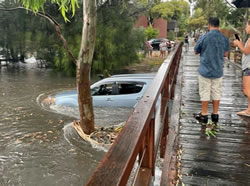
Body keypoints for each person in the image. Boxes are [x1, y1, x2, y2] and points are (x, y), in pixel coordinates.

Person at [193, 17, 230, 124]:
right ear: (219, 25)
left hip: (205, 69)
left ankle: (204, 115)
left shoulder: (204, 37)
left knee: (205, 92)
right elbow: (226, 54)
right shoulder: (224, 38)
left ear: (209, 25)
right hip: (218, 70)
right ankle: (215, 114)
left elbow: (196, 51)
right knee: (216, 92)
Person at [233, 20, 250, 116]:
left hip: (248, 68)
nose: (246, 28)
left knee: (246, 89)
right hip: (247, 66)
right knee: (248, 89)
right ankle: (249, 110)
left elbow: (246, 51)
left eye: (247, 26)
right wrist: (241, 43)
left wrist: (239, 45)